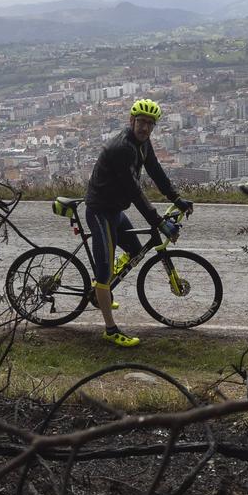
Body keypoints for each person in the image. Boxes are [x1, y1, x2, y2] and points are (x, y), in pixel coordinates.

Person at [84, 97, 191, 346]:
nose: (144, 127)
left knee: (134, 250)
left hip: (116, 209)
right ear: (131, 121)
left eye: (149, 124)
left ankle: (100, 292)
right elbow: (135, 191)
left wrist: (177, 197)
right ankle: (110, 329)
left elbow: (155, 171)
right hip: (100, 210)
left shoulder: (143, 143)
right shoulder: (122, 148)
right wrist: (157, 222)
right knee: (104, 273)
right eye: (141, 122)